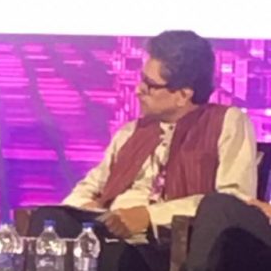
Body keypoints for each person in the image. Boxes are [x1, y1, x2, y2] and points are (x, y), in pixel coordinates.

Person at [30, 30, 257, 271]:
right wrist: (84, 207)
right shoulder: (131, 132)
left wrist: (150, 216)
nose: (139, 90)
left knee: (110, 254)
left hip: (161, 246)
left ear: (183, 95)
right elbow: (91, 185)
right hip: (109, 230)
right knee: (49, 221)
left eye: (150, 85)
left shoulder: (227, 122)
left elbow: (233, 201)